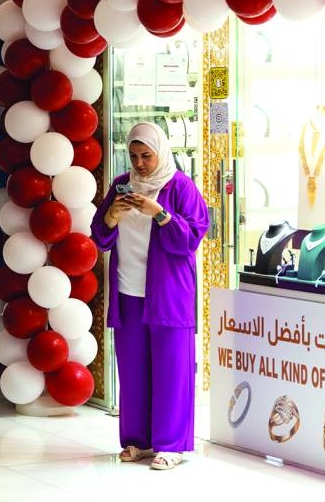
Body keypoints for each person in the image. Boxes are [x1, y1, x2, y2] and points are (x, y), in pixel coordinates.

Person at [90, 122, 209, 471]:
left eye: (146, 156)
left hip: (170, 294)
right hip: (129, 290)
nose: (139, 164)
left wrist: (159, 214)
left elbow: (189, 240)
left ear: (162, 152)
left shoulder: (181, 188)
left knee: (172, 368)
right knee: (132, 368)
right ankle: (137, 441)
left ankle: (171, 445)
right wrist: (112, 214)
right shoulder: (120, 186)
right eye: (134, 156)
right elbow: (101, 236)